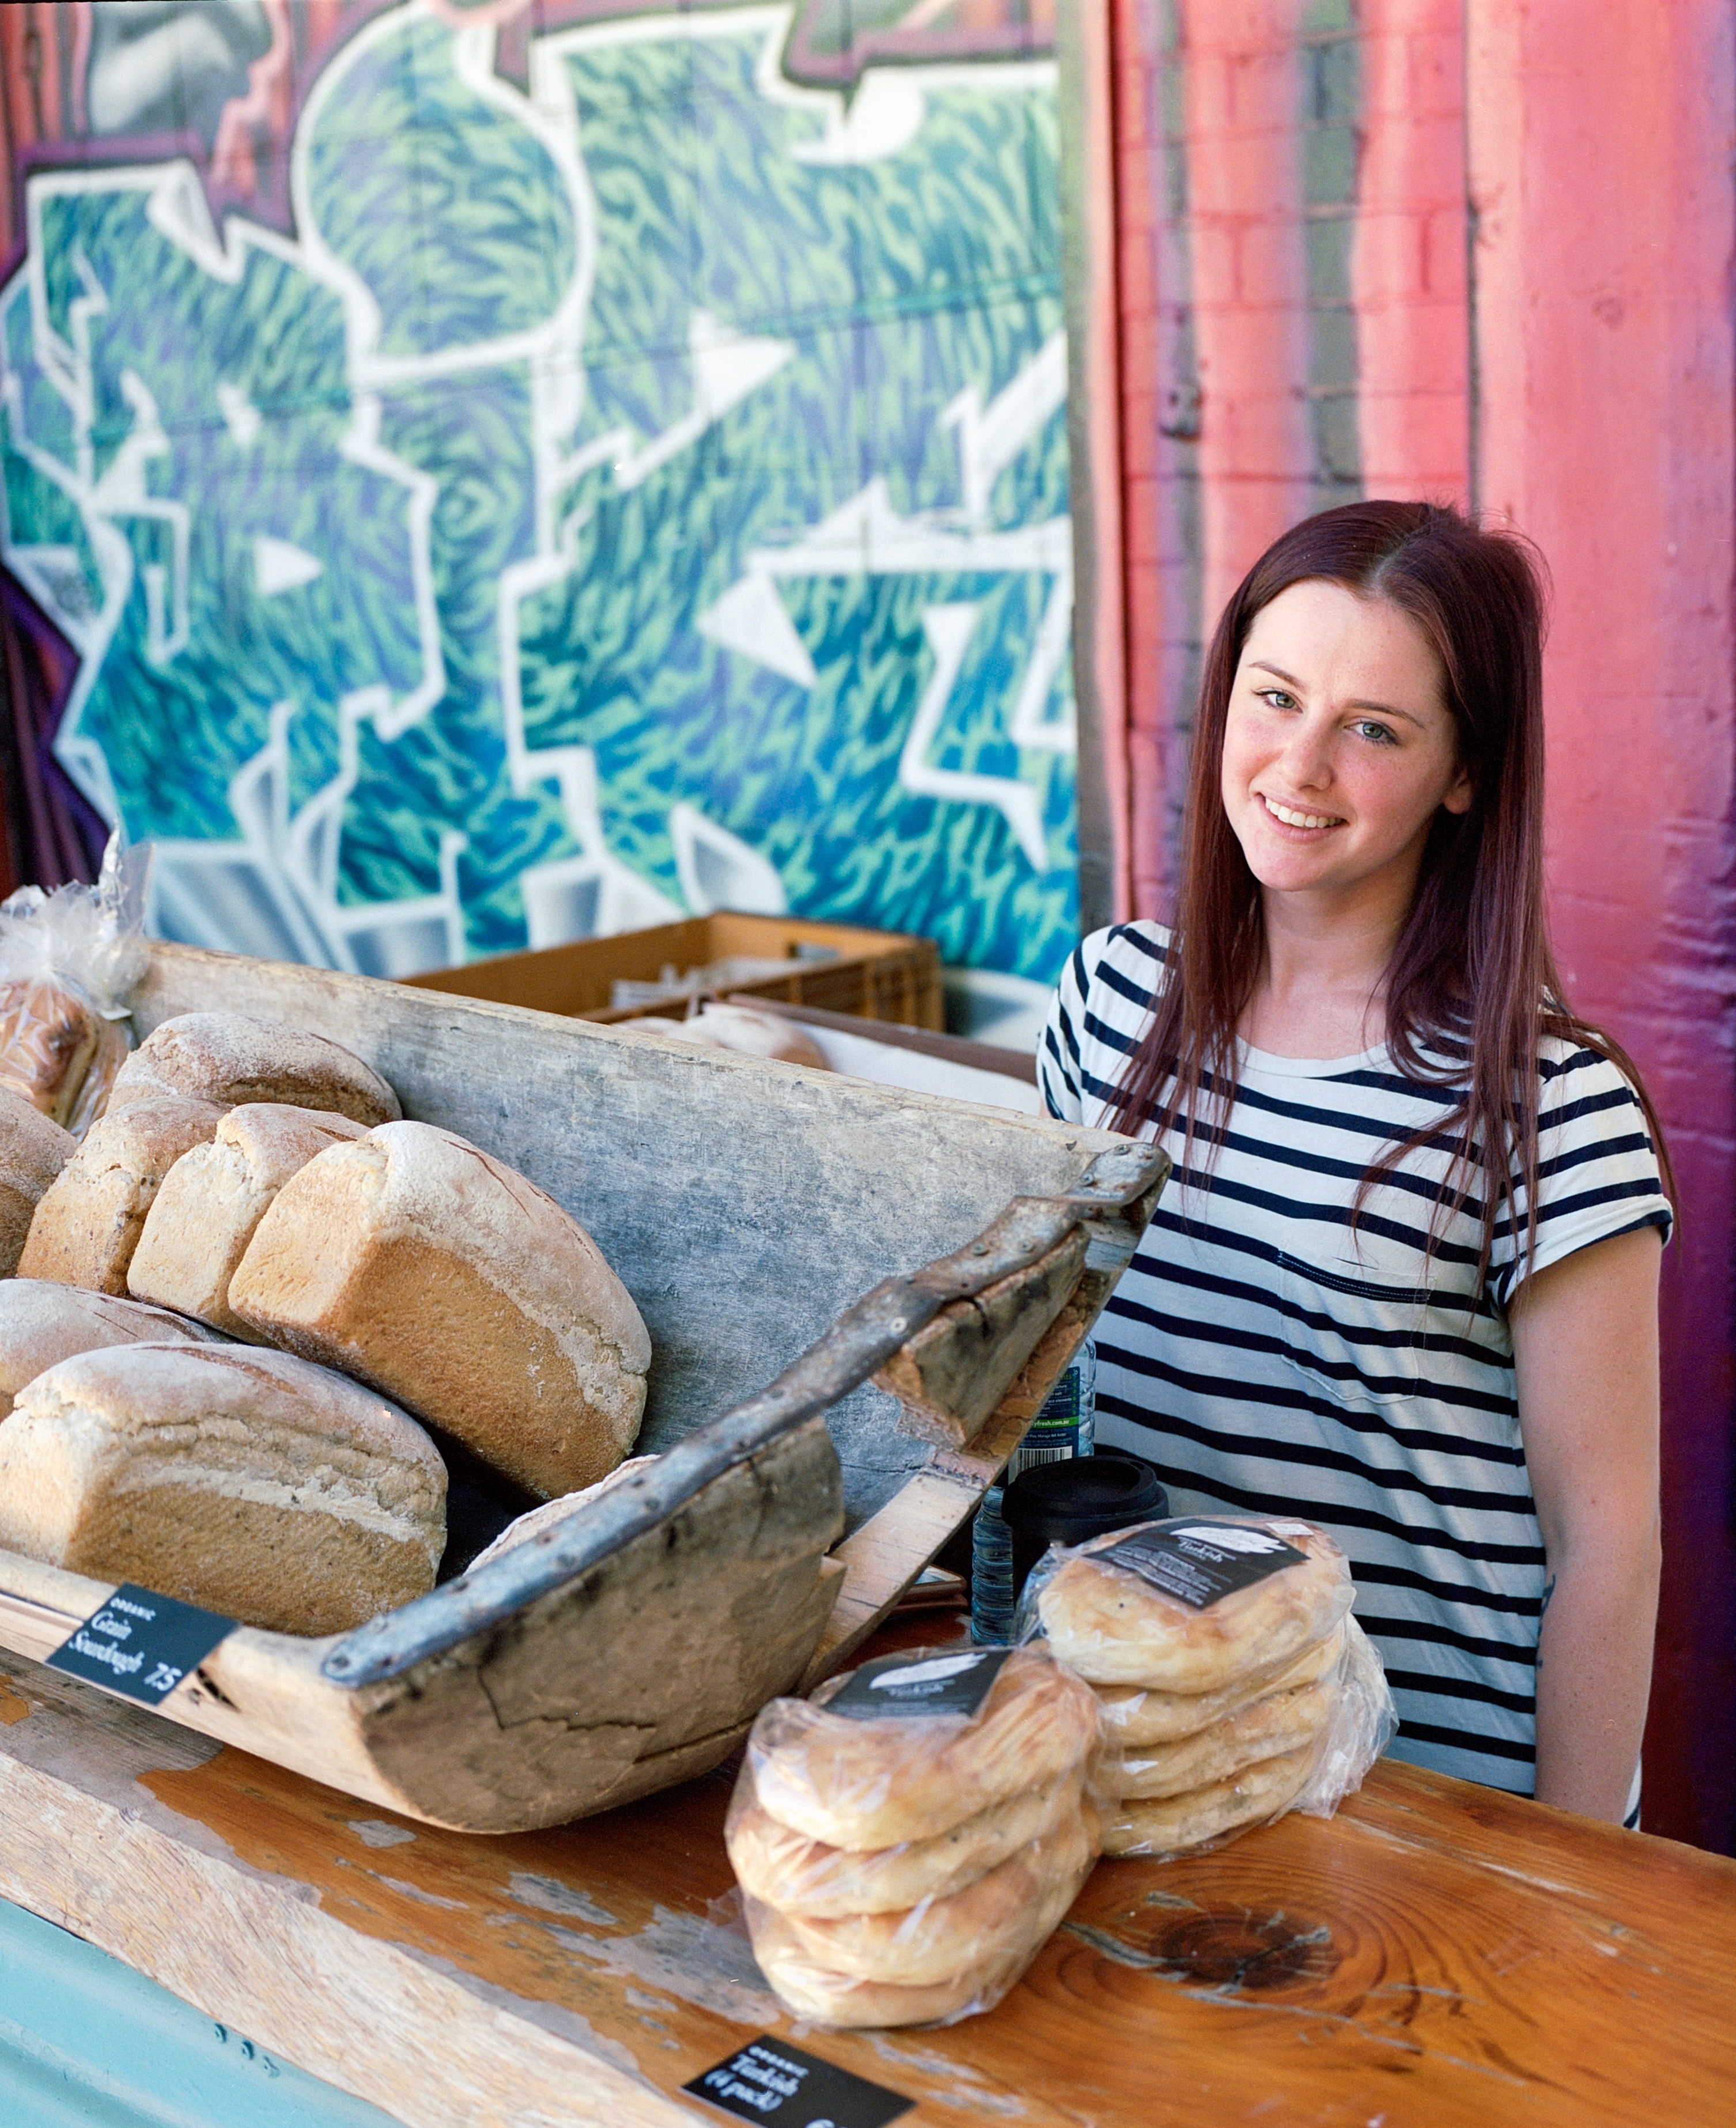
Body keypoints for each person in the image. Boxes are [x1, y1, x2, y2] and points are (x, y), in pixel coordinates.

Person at [1039, 501, 1671, 1825]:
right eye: (1274, 698)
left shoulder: (1550, 1102)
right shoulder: (1105, 1003)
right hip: (1144, 1762)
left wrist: (1561, 1868)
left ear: (1464, 772)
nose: (1300, 765)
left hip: (1425, 1807)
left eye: (1373, 728)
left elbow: (1607, 1545)